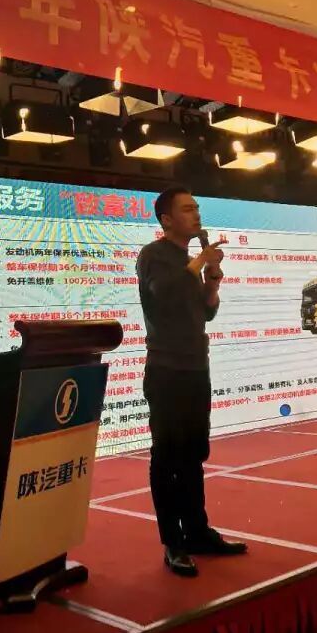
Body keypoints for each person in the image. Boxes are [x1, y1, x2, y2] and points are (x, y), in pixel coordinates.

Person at [136, 186, 248, 577]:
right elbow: (164, 294)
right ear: (166, 220)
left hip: (196, 368)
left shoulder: (188, 260)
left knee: (193, 454)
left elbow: (205, 312)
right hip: (166, 371)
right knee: (167, 457)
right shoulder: (153, 255)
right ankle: (174, 542)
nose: (196, 214)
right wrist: (202, 260)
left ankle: (197, 532)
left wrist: (212, 283)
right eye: (187, 209)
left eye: (197, 207)